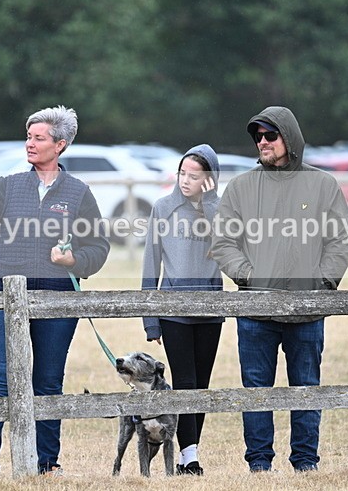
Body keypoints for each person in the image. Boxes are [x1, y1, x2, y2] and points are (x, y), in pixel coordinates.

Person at [0, 105, 110, 480]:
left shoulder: (79, 193)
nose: (29, 143)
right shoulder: (11, 185)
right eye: (28, 136)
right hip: (3, 292)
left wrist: (72, 261)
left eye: (38, 138)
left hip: (57, 295)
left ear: (60, 145)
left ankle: (48, 463)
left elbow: (98, 247)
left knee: (48, 381)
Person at [210, 106, 348, 473]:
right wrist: (248, 277)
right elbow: (224, 241)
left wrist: (321, 284)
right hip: (255, 311)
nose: (262, 142)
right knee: (256, 392)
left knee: (306, 389)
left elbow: (340, 240)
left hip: (307, 312)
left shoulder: (323, 185)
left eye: (270, 135)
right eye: (257, 136)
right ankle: (259, 464)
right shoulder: (242, 187)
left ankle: (305, 463)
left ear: (289, 138)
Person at [141, 144, 223, 475]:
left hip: (211, 309)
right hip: (173, 310)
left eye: (195, 176)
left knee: (200, 385)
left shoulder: (219, 209)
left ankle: (190, 450)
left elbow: (229, 245)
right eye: (182, 174)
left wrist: (210, 204)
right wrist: (151, 321)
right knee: (185, 381)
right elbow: (151, 263)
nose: (186, 181)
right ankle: (188, 458)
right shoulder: (163, 208)